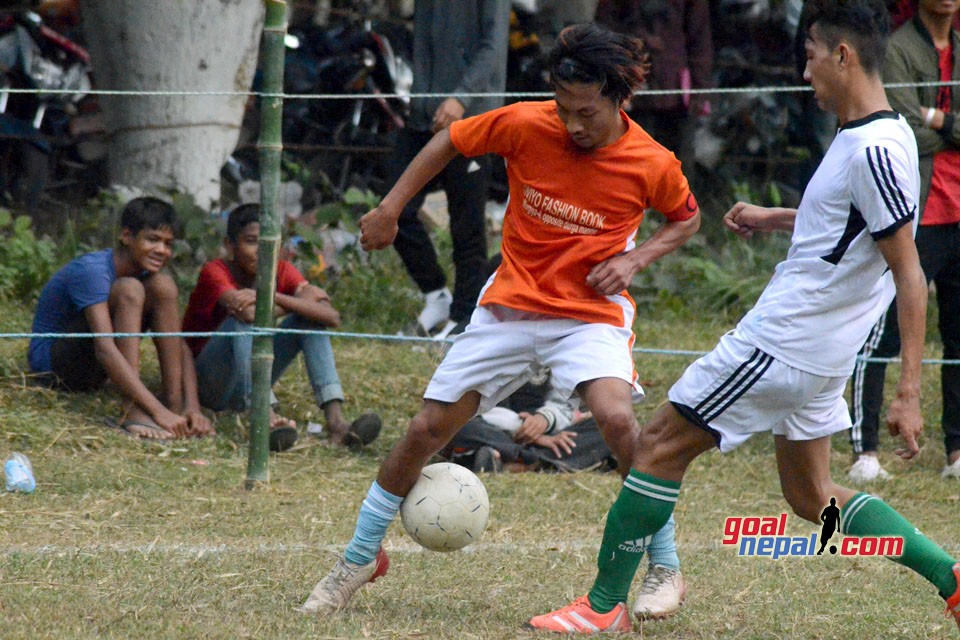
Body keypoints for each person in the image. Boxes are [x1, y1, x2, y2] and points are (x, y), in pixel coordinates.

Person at [530, 2, 960, 633]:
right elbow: (855, 229)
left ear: (843, 55)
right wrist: (780, 216)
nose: (805, 68)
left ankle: (601, 607)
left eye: (811, 53)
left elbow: (909, 271)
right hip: (818, 356)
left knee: (654, 447)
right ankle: (952, 581)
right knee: (812, 497)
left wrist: (910, 392)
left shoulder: (871, 148)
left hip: (784, 344)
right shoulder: (883, 131)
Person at [299, 22, 701, 616]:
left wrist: (637, 258)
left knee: (618, 421)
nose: (572, 124)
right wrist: (389, 208)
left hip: (589, 314)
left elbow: (686, 219)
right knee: (423, 432)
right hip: (510, 305)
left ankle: (664, 567)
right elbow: (449, 142)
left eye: (586, 112)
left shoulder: (652, 161)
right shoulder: (525, 122)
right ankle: (359, 557)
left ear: (621, 99)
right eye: (564, 109)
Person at [442, 365, 688, 619]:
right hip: (498, 427)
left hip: (552, 430)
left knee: (613, 425)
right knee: (457, 424)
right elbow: (468, 402)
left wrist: (544, 421)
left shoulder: (569, 335)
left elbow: (567, 405)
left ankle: (516, 461)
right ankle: (532, 459)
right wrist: (523, 428)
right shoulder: (492, 338)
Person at [849, 0, 960, 482]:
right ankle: (865, 448)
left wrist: (936, 117)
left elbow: (922, 122)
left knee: (957, 334)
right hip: (923, 208)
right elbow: (906, 131)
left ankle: (956, 452)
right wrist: (936, 125)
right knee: (884, 330)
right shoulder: (897, 49)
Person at [181, 204, 381, 451]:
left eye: (270, 242)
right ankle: (264, 416)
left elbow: (330, 316)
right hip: (209, 382)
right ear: (229, 245)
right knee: (242, 324)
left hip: (250, 377)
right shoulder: (215, 271)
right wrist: (300, 302)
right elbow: (249, 314)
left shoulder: (282, 270)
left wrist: (276, 297)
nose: (262, 251)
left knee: (308, 322)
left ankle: (337, 423)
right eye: (252, 241)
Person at [28, 196, 213, 440]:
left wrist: (192, 406)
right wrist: (155, 411)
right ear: (126, 236)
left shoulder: (148, 274)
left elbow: (178, 343)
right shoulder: (93, 270)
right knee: (129, 289)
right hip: (56, 368)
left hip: (97, 368)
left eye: (168, 244)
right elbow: (105, 348)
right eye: (153, 239)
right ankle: (132, 410)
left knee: (163, 285)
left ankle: (174, 404)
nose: (162, 250)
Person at [385, 0, 510, 338]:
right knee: (393, 207)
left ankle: (463, 316)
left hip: (471, 117)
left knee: (466, 226)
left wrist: (461, 98)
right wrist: (421, 103)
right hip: (424, 115)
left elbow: (493, 48)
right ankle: (435, 295)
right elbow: (422, 49)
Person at [594, 0, 713, 167]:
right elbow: (604, 28)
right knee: (633, 162)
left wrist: (699, 90)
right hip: (633, 91)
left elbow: (699, 38)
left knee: (677, 165)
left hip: (676, 94)